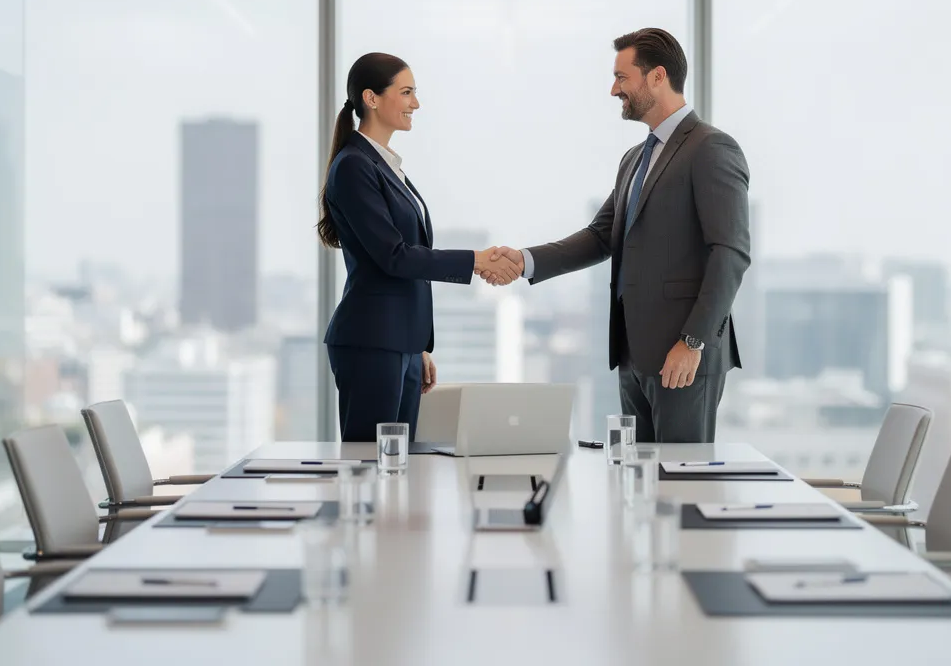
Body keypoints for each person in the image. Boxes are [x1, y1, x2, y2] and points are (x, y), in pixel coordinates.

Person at [488, 28, 750, 443]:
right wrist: (524, 261)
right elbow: (600, 236)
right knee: (639, 482)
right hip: (634, 355)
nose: (614, 89)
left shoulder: (711, 148)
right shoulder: (634, 159)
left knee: (679, 485)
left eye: (622, 77)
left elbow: (730, 253)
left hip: (683, 356)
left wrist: (693, 341)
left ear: (657, 76)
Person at [319, 53, 522, 442]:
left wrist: (416, 346)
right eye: (407, 92)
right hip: (371, 342)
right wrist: (475, 261)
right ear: (371, 98)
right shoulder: (353, 166)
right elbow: (393, 256)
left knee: (399, 470)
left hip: (399, 344)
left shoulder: (385, 165)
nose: (416, 104)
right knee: (370, 471)